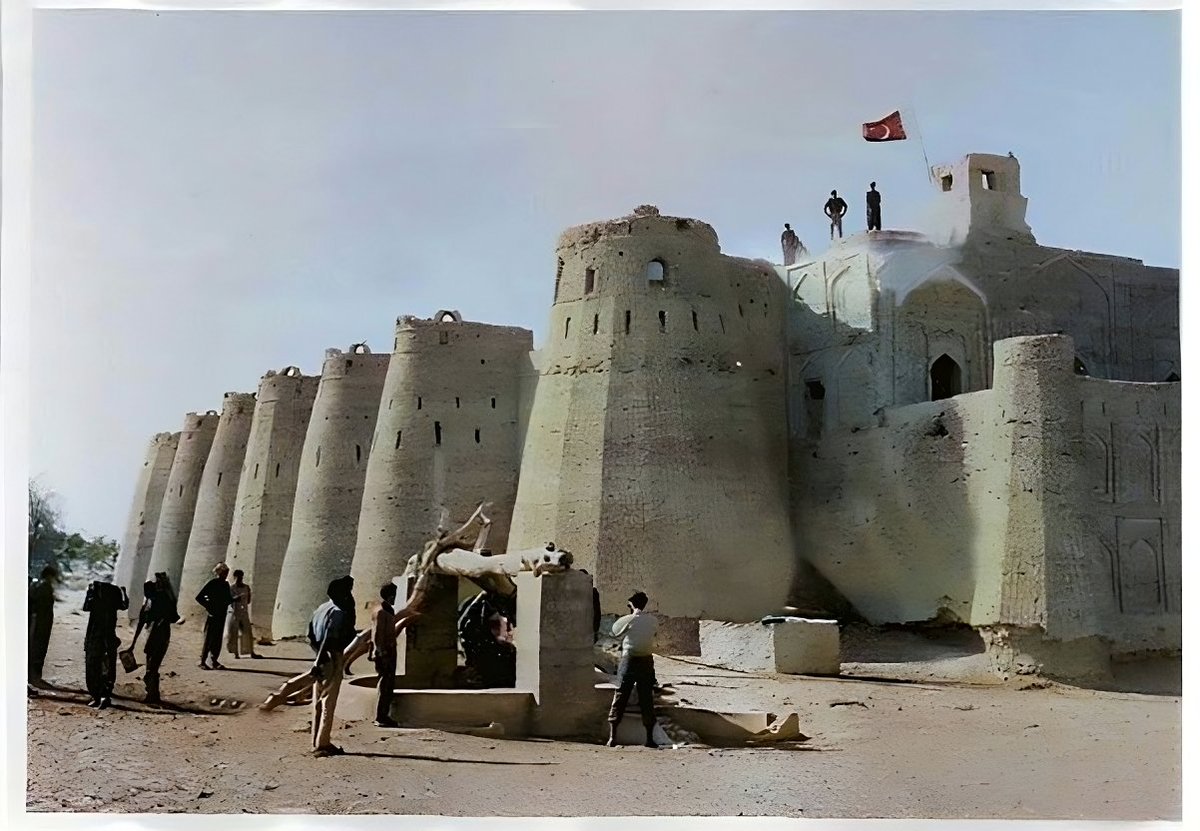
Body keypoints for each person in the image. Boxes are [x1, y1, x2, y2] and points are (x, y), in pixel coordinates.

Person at [605, 590, 659, 748]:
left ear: (632, 605)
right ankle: (649, 738)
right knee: (646, 698)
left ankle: (612, 737)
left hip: (629, 660)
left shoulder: (628, 620)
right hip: (647, 661)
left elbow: (614, 633)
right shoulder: (653, 620)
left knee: (621, 695)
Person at [133, 573, 179, 704]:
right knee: (151, 668)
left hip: (160, 636)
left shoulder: (161, 599)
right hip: (152, 636)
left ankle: (153, 695)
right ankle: (152, 694)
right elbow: (141, 621)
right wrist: (133, 643)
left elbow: (172, 617)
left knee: (152, 668)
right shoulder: (150, 601)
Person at [82, 579, 129, 709]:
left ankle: (98, 696)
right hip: (107, 638)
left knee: (94, 667)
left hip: (96, 638)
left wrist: (89, 593)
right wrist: (124, 592)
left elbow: (86, 607)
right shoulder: (112, 599)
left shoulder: (96, 600)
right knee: (106, 667)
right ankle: (103, 696)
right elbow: (125, 605)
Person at [370, 582, 399, 728]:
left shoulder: (387, 610)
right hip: (384, 653)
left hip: (389, 651)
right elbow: (376, 634)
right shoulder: (381, 612)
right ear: (390, 595)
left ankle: (384, 715)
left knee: (389, 684)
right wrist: (379, 652)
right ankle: (380, 717)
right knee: (385, 684)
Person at [195, 563, 234, 670]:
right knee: (209, 638)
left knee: (217, 639)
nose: (226, 575)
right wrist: (209, 607)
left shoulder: (225, 584)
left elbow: (228, 599)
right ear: (220, 572)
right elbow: (200, 597)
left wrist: (234, 599)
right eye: (225, 572)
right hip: (213, 614)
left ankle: (214, 660)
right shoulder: (213, 583)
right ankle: (202, 661)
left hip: (221, 614)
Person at [28, 564, 59, 687]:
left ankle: (35, 677)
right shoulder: (44, 586)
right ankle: (35, 678)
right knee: (39, 648)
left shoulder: (39, 585)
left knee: (38, 648)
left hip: (41, 620)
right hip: (41, 621)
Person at [225, 569, 260, 659]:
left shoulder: (246, 587)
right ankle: (235, 653)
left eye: (240, 577)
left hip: (243, 612)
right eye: (238, 577)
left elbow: (248, 601)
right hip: (233, 612)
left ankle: (251, 652)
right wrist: (238, 598)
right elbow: (229, 600)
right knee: (233, 633)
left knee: (247, 632)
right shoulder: (231, 588)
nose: (239, 579)